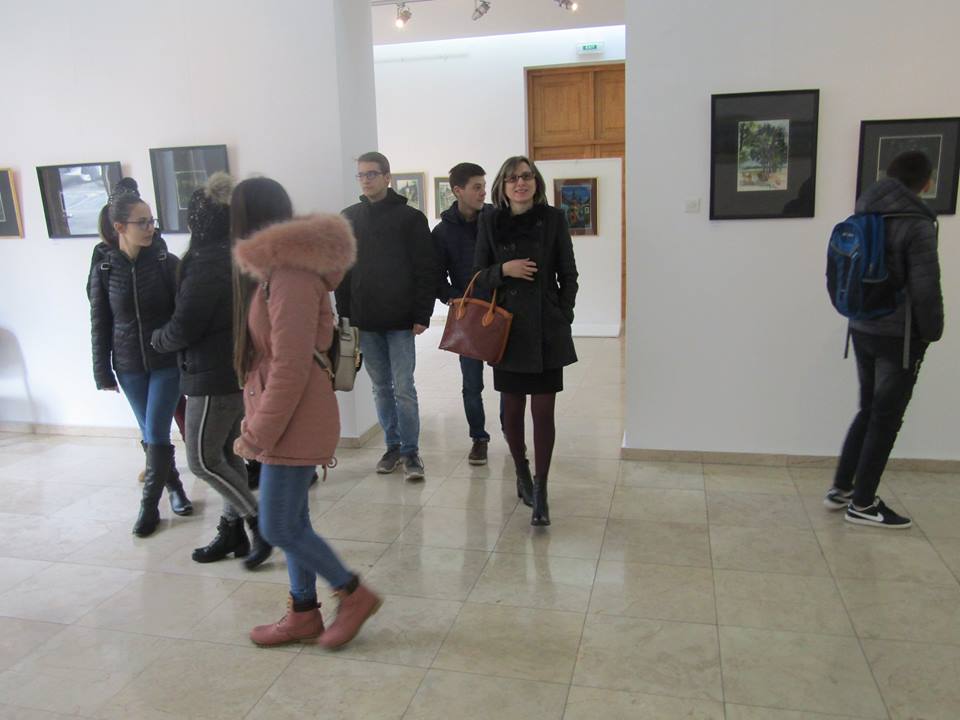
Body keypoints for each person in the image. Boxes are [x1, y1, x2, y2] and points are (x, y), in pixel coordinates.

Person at [231, 177, 381, 648]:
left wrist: (257, 433)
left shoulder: (291, 274)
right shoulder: (277, 271)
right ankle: (302, 613)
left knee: (277, 525)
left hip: (293, 419)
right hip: (288, 416)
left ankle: (352, 593)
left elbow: (291, 365)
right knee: (293, 521)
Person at [150, 173, 271, 568]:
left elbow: (186, 324)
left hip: (212, 374)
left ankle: (257, 521)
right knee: (226, 453)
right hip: (233, 369)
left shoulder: (206, 263)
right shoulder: (237, 254)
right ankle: (232, 531)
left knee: (202, 460)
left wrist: (159, 339)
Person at [825, 151, 944, 528]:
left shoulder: (864, 214)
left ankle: (842, 488)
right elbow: (926, 288)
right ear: (925, 182)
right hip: (899, 336)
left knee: (868, 409)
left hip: (861, 327)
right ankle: (862, 504)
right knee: (886, 418)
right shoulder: (917, 224)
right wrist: (933, 331)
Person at [473, 156, 579, 526]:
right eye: (513, 178)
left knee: (544, 412)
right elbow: (478, 276)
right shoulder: (489, 221)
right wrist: (504, 269)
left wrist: (563, 314)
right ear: (503, 186)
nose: (521, 183)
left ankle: (542, 488)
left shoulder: (553, 219)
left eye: (527, 176)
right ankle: (522, 472)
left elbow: (568, 273)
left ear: (536, 182)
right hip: (508, 331)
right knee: (513, 410)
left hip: (546, 329)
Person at [88, 178, 192, 537]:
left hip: (166, 362)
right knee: (150, 431)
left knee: (157, 428)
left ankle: (148, 508)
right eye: (142, 222)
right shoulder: (104, 268)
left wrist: (172, 346)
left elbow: (182, 316)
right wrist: (102, 372)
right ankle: (175, 487)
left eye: (152, 221)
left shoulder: (166, 262)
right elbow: (100, 322)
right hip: (128, 365)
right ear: (120, 227)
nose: (150, 228)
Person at [336, 151, 437, 481]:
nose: (366, 180)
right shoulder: (348, 218)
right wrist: (345, 317)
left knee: (404, 388)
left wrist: (423, 313)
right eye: (361, 175)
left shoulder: (410, 218)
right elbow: (342, 271)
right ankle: (392, 447)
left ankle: (411, 452)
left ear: (387, 177)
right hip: (365, 320)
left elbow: (426, 269)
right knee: (381, 388)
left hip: (401, 319)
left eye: (372, 174)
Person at [434, 162, 493, 465]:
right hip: (467, 316)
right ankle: (479, 438)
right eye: (476, 187)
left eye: (484, 186)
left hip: (502, 310)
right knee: (472, 384)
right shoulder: (442, 232)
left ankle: (514, 436)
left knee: (510, 380)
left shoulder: (495, 220)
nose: (483, 192)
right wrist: (455, 299)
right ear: (458, 191)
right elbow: (435, 276)